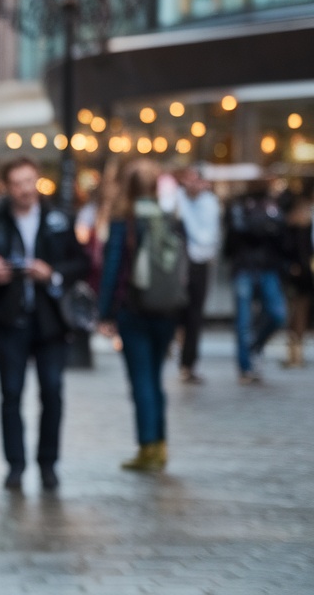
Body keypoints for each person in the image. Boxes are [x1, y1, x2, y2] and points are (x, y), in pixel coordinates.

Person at [0, 156, 89, 491]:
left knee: (52, 391)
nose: (25, 190)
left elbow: (82, 262)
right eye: (17, 183)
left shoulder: (58, 218)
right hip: (9, 319)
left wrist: (53, 273)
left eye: (29, 181)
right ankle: (15, 466)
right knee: (11, 394)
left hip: (51, 320)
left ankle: (48, 464)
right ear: (7, 186)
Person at [96, 159, 183, 472]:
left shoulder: (124, 221)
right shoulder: (169, 217)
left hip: (133, 310)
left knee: (141, 380)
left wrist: (104, 312)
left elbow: (111, 270)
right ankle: (160, 444)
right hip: (167, 310)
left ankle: (147, 446)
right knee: (156, 379)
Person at [223, 179, 289, 383]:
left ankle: (255, 346)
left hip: (268, 267)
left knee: (278, 314)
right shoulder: (239, 206)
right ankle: (245, 366)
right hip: (244, 267)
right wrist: (264, 225)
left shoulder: (272, 207)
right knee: (243, 321)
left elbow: (280, 232)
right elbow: (240, 233)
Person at [174, 165, 221, 383]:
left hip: (198, 264)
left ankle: (189, 362)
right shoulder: (176, 200)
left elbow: (206, 238)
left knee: (194, 315)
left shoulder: (209, 203)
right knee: (176, 313)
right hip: (177, 263)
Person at [281, 188, 313, 369]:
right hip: (296, 274)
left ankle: (297, 353)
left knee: (301, 310)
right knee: (294, 310)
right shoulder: (292, 228)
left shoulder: (306, 226)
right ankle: (294, 353)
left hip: (305, 274)